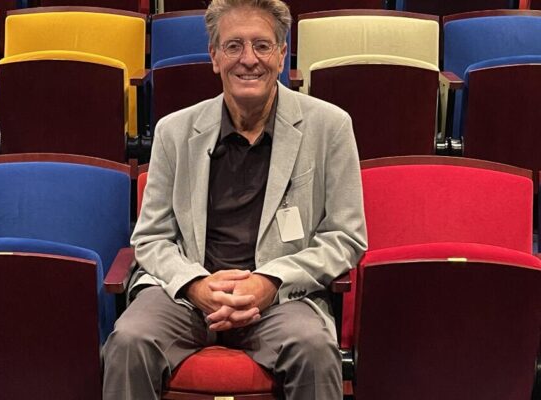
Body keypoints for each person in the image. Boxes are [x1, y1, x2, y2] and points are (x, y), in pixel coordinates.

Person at [102, 0, 367, 398]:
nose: (248, 60)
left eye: (262, 46)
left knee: (314, 347)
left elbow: (346, 236)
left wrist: (270, 281)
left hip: (280, 299)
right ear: (214, 56)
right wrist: (195, 285)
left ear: (282, 55)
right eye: (233, 46)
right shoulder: (175, 131)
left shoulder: (330, 126)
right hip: (188, 294)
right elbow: (151, 238)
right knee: (129, 340)